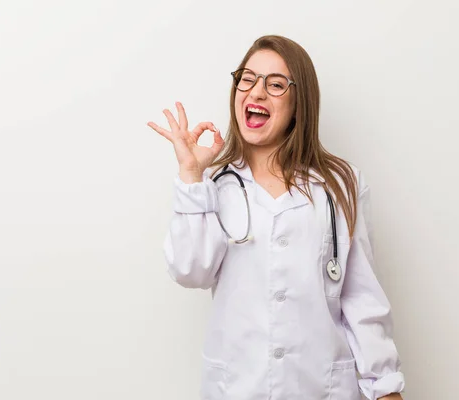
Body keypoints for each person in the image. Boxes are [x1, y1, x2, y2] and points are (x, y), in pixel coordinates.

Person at [148, 35, 405, 400]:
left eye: (276, 84)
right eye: (247, 79)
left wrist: (386, 388)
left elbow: (361, 298)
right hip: (238, 388)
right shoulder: (212, 186)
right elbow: (190, 271)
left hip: (322, 388)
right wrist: (191, 175)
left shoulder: (340, 185)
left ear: (300, 103)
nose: (256, 92)